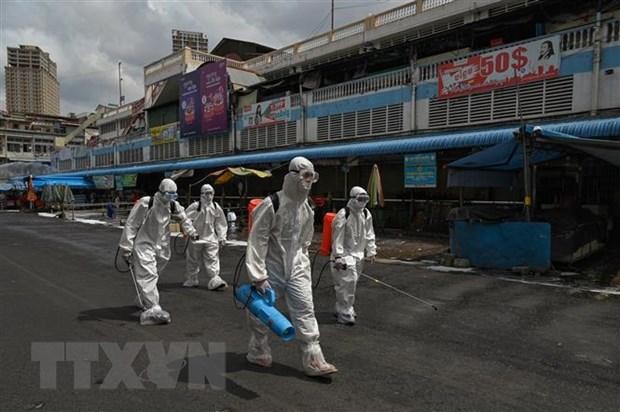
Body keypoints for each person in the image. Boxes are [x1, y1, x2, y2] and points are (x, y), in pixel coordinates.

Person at [245, 156, 338, 377]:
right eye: (305, 176)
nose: (309, 181)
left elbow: (305, 240)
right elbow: (257, 240)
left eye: (312, 177)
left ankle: (313, 358)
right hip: (272, 268)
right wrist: (258, 274)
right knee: (261, 313)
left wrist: (302, 264)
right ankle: (258, 349)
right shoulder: (272, 204)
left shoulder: (306, 208)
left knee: (306, 310)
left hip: (297, 267)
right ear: (293, 175)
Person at [118, 178, 198, 325]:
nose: (171, 198)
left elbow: (184, 219)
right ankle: (153, 308)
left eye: (174, 195)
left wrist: (192, 232)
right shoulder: (146, 203)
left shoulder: (173, 205)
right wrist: (126, 247)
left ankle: (143, 297)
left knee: (154, 274)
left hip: (162, 246)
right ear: (161, 192)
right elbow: (131, 224)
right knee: (149, 274)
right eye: (169, 194)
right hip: (144, 244)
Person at [331, 186, 377, 326]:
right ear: (353, 199)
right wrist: (338, 256)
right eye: (360, 199)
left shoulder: (366, 214)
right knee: (347, 283)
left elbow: (369, 233)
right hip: (345, 255)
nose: (363, 202)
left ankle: (343, 307)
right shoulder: (344, 214)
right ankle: (345, 312)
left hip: (358, 255)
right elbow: (337, 236)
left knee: (352, 284)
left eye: (365, 199)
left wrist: (371, 250)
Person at [183, 184, 228, 290]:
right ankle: (192, 279)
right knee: (193, 260)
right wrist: (191, 232)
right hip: (196, 238)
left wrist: (222, 237)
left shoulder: (216, 207)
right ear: (202, 194)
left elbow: (221, 223)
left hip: (211, 238)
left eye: (211, 193)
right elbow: (185, 220)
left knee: (212, 258)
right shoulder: (195, 206)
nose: (209, 196)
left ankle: (215, 279)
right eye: (207, 193)